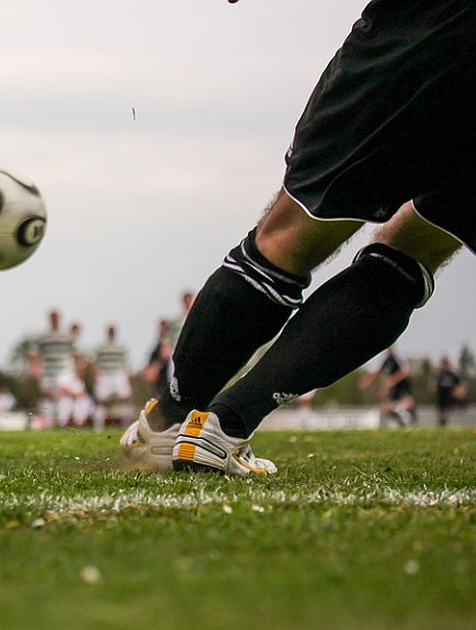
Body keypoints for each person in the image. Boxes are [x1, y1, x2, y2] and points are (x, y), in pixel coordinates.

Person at [122, 1, 474, 474]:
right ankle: (223, 426)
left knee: (288, 237)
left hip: (430, 27)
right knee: (418, 247)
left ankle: (171, 421)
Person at [28, 310, 79, 428]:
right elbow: (35, 353)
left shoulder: (67, 335)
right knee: (48, 395)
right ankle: (49, 422)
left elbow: (75, 353)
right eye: (52, 317)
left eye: (56, 317)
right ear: (49, 319)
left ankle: (62, 421)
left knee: (63, 392)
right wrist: (34, 367)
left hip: (64, 370)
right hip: (47, 371)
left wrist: (77, 369)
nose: (54, 319)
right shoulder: (43, 336)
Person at [360, 347, 417, 427]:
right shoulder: (386, 361)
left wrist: (392, 381)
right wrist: (367, 380)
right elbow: (378, 372)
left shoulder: (398, 358)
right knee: (387, 407)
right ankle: (399, 423)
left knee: (407, 404)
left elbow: (406, 371)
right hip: (393, 389)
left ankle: (409, 421)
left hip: (402, 387)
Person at [93, 324, 134, 428]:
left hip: (119, 374)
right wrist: (96, 375)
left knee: (125, 399)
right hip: (104, 374)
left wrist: (129, 376)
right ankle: (98, 426)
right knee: (101, 401)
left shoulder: (121, 347)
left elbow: (126, 362)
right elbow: (96, 362)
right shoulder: (101, 347)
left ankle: (126, 425)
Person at [433, 357, 466, 427]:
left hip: (451, 397)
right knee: (442, 415)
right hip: (442, 398)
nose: (446, 366)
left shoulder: (453, 375)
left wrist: (458, 393)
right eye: (444, 365)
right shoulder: (439, 375)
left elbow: (460, 387)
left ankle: (460, 409)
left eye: (447, 365)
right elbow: (434, 387)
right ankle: (442, 425)